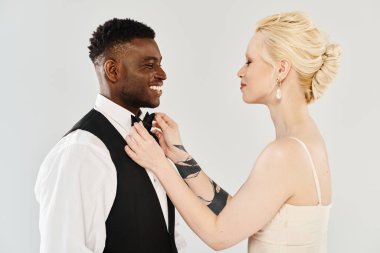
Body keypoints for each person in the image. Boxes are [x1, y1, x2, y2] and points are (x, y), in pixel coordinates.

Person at [124, 11, 340, 252]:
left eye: (249, 61)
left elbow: (218, 234)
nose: (240, 71)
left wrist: (159, 164)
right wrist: (180, 156)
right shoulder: (306, 140)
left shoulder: (285, 153)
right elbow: (237, 213)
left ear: (281, 70)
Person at [34, 18, 186, 253]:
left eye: (160, 64)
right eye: (149, 65)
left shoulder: (154, 140)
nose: (162, 74)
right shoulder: (82, 150)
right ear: (113, 70)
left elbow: (169, 236)